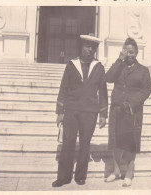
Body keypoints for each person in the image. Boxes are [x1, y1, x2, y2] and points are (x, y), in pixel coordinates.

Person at [52, 34, 108, 187]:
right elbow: (63, 88)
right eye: (87, 46)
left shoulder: (99, 67)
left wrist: (103, 114)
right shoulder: (71, 65)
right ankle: (63, 177)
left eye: (93, 47)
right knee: (68, 143)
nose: (90, 50)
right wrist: (60, 112)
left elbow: (103, 92)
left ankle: (80, 176)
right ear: (82, 47)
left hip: (90, 112)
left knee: (85, 144)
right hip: (71, 109)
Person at [105, 38, 151, 187]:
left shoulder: (143, 70)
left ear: (136, 52)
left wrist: (130, 103)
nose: (129, 54)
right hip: (117, 109)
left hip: (133, 111)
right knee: (115, 140)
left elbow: (145, 91)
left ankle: (129, 173)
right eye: (126, 51)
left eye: (132, 51)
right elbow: (108, 78)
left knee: (131, 142)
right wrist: (119, 59)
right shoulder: (119, 65)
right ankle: (116, 171)